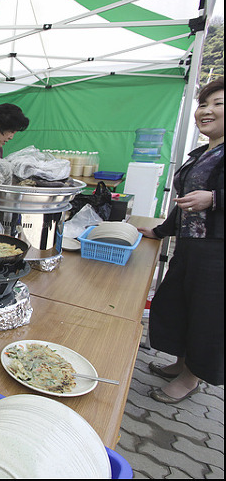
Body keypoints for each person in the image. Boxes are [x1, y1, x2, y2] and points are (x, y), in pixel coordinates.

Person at [138, 77, 223, 403]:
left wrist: (214, 199)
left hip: (217, 252)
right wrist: (160, 231)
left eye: (218, 104)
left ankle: (191, 378)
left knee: (207, 315)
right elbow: (185, 201)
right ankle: (181, 363)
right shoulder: (204, 152)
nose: (207, 110)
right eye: (204, 103)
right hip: (190, 246)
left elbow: (204, 198)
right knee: (180, 304)